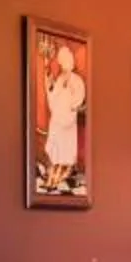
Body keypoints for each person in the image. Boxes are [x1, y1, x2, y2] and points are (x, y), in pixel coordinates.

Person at [41, 40, 86, 194]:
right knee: (56, 150)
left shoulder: (76, 80)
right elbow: (53, 97)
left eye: (66, 60)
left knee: (65, 153)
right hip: (58, 121)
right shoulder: (60, 79)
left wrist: (70, 106)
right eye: (62, 61)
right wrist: (49, 83)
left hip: (67, 121)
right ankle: (52, 179)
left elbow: (78, 99)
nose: (64, 63)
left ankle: (57, 180)